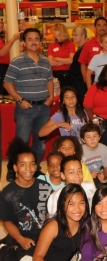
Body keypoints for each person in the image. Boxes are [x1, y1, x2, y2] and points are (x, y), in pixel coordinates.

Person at [4, 28, 54, 172]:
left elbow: (49, 80)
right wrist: (20, 100)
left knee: (40, 143)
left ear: (40, 42)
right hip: (25, 109)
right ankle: (13, 170)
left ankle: (34, 168)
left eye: (36, 39)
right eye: (30, 39)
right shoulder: (17, 61)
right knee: (22, 142)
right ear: (24, 42)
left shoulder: (45, 61)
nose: (33, 42)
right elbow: (7, 83)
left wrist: (50, 97)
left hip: (43, 108)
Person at [0, 138, 52, 261]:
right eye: (23, 165)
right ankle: (5, 246)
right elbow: (6, 221)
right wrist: (21, 239)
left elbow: (49, 215)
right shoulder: (7, 193)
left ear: (36, 167)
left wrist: (46, 236)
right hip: (20, 234)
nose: (28, 169)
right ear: (15, 167)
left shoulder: (45, 187)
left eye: (32, 164)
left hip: (42, 234)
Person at [78, 17, 107, 85]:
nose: (102, 28)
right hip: (93, 77)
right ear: (95, 28)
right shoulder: (88, 44)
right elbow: (82, 63)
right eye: (99, 25)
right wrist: (85, 79)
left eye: (104, 25)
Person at [81, 123, 107, 188]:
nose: (92, 139)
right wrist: (88, 175)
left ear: (99, 137)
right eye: (88, 137)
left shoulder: (104, 149)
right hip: (85, 179)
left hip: (99, 177)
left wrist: (103, 175)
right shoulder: (80, 151)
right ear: (83, 140)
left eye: (95, 136)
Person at [47, 23, 75, 89]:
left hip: (68, 74)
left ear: (62, 31)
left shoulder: (70, 44)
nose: (53, 32)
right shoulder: (52, 45)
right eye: (53, 30)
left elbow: (71, 61)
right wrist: (65, 61)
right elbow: (50, 62)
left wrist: (57, 58)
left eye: (56, 30)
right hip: (55, 74)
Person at [67, 26, 88, 104]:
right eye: (73, 35)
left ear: (83, 36)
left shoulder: (86, 48)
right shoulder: (80, 48)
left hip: (81, 82)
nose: (73, 37)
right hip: (77, 81)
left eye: (76, 35)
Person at [0, 30, 22, 95]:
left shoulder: (1, 39)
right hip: (1, 67)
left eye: (2, 23)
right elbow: (2, 52)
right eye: (0, 23)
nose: (2, 25)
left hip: (6, 67)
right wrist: (13, 39)